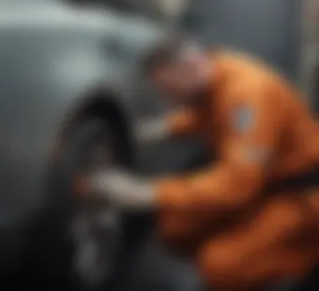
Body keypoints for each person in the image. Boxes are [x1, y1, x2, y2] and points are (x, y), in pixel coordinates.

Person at [77, 38, 319, 291]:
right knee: (175, 227)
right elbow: (207, 113)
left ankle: (304, 259)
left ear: (190, 66)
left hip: (303, 197)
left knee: (220, 266)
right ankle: (253, 247)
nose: (170, 99)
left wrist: (147, 192)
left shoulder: (247, 95)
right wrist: (161, 129)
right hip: (267, 185)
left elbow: (238, 185)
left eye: (171, 90)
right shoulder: (217, 72)